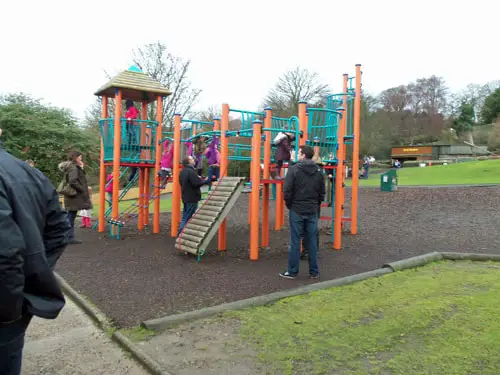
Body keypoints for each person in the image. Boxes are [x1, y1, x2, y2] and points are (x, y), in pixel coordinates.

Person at [0, 128, 71, 375]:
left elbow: (6, 253)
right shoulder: (29, 172)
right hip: (13, 308)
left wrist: (9, 309)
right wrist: (35, 272)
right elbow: (60, 229)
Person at [280, 145, 325, 280]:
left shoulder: (293, 170)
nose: (297, 154)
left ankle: (292, 271)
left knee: (295, 241)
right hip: (312, 209)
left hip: (297, 209)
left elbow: (287, 191)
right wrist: (315, 205)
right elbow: (322, 192)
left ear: (304, 155)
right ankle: (314, 272)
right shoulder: (318, 171)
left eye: (299, 152)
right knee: (311, 241)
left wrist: (290, 205)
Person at [58, 151, 92, 244]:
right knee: (70, 216)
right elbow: (73, 181)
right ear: (75, 158)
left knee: (70, 215)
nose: (81, 159)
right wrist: (81, 189)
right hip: (74, 195)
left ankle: (68, 236)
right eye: (80, 157)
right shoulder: (73, 167)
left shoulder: (72, 167)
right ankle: (68, 237)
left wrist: (81, 167)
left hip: (72, 196)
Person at [177, 156, 209, 237]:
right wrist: (206, 181)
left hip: (185, 197)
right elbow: (196, 183)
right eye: (192, 159)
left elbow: (182, 183)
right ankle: (181, 235)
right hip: (192, 198)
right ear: (188, 161)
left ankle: (181, 234)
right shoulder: (190, 171)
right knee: (188, 218)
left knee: (185, 217)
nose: (194, 160)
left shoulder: (182, 171)